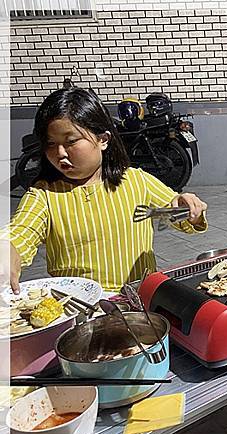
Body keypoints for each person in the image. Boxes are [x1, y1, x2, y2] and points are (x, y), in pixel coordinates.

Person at [1, 88, 208, 294]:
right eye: (51, 144)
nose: (60, 153)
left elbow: (179, 213)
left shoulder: (136, 181)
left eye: (71, 141)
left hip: (139, 300)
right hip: (78, 306)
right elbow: (21, 232)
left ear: (103, 140)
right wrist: (7, 250)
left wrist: (188, 207)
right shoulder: (44, 196)